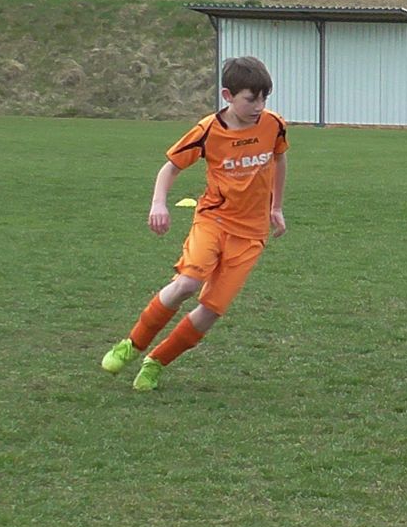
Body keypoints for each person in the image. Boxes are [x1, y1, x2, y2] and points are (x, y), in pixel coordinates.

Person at [100, 56, 289, 390]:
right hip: (214, 219)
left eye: (264, 98)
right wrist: (159, 203)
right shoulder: (208, 130)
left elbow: (279, 158)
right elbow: (170, 167)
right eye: (251, 98)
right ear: (228, 95)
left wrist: (277, 206)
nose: (259, 106)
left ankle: (156, 362)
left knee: (211, 309)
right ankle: (132, 343)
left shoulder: (274, 124)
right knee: (187, 283)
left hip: (251, 234)